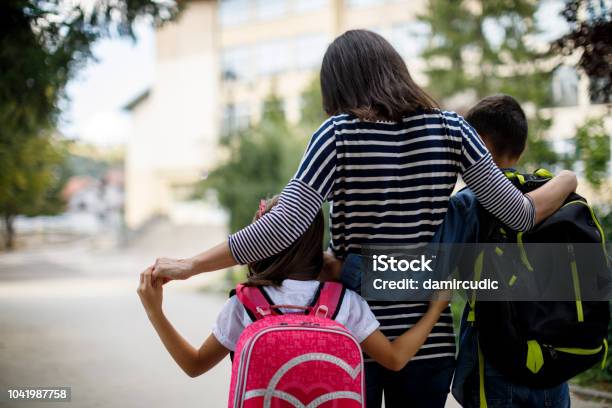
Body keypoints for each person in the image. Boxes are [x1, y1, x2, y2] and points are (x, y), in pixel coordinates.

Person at [150, 30, 577, 407]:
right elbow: (520, 215)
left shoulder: (337, 134)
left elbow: (282, 226)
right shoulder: (452, 130)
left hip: (351, 333)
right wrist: (566, 179)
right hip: (429, 338)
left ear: (339, 86)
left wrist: (190, 264)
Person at [137, 196, 450, 383]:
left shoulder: (244, 304)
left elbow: (194, 366)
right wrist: (435, 308)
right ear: (316, 243)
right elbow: (395, 359)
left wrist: (155, 311)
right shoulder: (343, 302)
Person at [439, 94, 571, 407]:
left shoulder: (467, 203)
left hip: (493, 363)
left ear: (476, 144)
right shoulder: (552, 195)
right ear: (521, 147)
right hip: (552, 363)